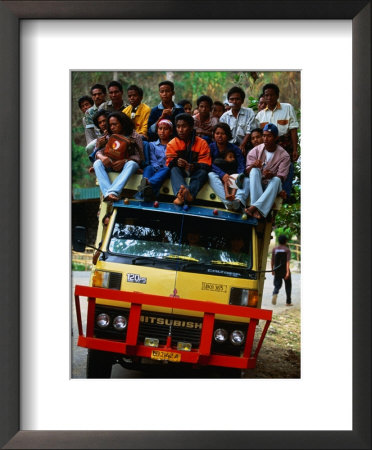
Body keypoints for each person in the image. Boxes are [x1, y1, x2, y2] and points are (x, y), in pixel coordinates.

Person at [255, 83, 299, 199]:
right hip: (268, 147)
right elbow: (258, 136)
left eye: (272, 95)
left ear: (277, 95)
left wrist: (295, 149)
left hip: (284, 145)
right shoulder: (260, 115)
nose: (269, 98)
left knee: (288, 166)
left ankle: (285, 193)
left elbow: (293, 129)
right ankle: (268, 192)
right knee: (267, 170)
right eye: (266, 95)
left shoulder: (287, 108)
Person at [92, 111, 143, 202]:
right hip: (110, 164)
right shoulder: (109, 136)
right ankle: (109, 194)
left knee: (132, 164)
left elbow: (139, 157)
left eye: (115, 124)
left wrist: (125, 161)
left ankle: (111, 192)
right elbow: (98, 152)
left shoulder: (135, 136)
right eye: (110, 125)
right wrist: (102, 157)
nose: (112, 127)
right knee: (97, 163)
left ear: (123, 123)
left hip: (126, 166)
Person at [244, 123, 290, 219]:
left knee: (276, 180)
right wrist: (253, 165)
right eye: (264, 136)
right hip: (257, 184)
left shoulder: (284, 155)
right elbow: (247, 172)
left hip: (272, 185)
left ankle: (254, 207)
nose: (265, 139)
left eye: (269, 136)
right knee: (254, 171)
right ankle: (258, 210)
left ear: (276, 138)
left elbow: (281, 177)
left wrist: (272, 175)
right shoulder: (255, 150)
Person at [165, 113, 211, 206]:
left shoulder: (202, 143)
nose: (180, 130)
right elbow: (168, 163)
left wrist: (194, 166)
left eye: (184, 126)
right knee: (174, 169)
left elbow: (207, 165)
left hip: (195, 171)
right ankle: (181, 195)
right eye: (178, 127)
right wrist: (176, 161)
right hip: (181, 171)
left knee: (203, 173)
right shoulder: (172, 143)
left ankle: (188, 195)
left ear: (191, 127)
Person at [208, 122, 249, 211]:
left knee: (247, 180)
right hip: (219, 176)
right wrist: (222, 174)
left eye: (223, 134)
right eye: (217, 133)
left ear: (227, 135)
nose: (220, 136)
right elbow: (208, 163)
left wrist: (237, 176)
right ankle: (228, 203)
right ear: (214, 135)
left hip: (233, 176)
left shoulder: (235, 148)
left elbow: (241, 164)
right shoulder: (210, 147)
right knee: (210, 175)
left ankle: (238, 201)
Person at [137, 119, 172, 201]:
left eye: (165, 129)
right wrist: (157, 168)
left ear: (170, 132)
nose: (162, 131)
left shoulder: (173, 144)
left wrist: (160, 169)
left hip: (166, 170)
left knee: (167, 168)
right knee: (148, 167)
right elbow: (152, 160)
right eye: (160, 129)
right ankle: (147, 188)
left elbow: (170, 161)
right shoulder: (152, 144)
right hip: (154, 168)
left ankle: (145, 186)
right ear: (157, 131)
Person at [219, 86, 256, 155]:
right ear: (228, 101)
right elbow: (223, 134)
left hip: (246, 145)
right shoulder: (224, 117)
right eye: (231, 99)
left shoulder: (249, 112)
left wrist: (242, 145)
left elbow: (250, 131)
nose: (234, 102)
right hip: (229, 146)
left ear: (242, 101)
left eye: (237, 99)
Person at [271, 234, 292, 306]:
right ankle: (288, 302)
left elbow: (272, 260)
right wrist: (287, 272)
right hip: (284, 270)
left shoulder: (275, 249)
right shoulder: (287, 250)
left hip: (277, 269)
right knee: (288, 285)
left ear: (279, 241)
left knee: (277, 284)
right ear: (285, 241)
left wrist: (272, 270)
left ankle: (275, 293)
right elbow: (287, 262)